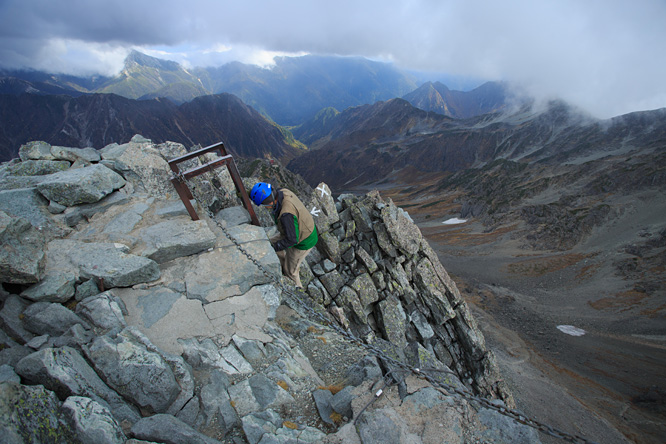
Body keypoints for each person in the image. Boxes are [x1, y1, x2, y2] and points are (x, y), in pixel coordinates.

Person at [249, 182, 318, 288]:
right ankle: (281, 264)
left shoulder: (286, 215)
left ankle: (298, 290)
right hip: (297, 230)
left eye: (265, 205)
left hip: (304, 240)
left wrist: (274, 248)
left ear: (270, 203)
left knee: (291, 271)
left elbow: (292, 240)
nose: (266, 208)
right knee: (269, 243)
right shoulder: (282, 192)